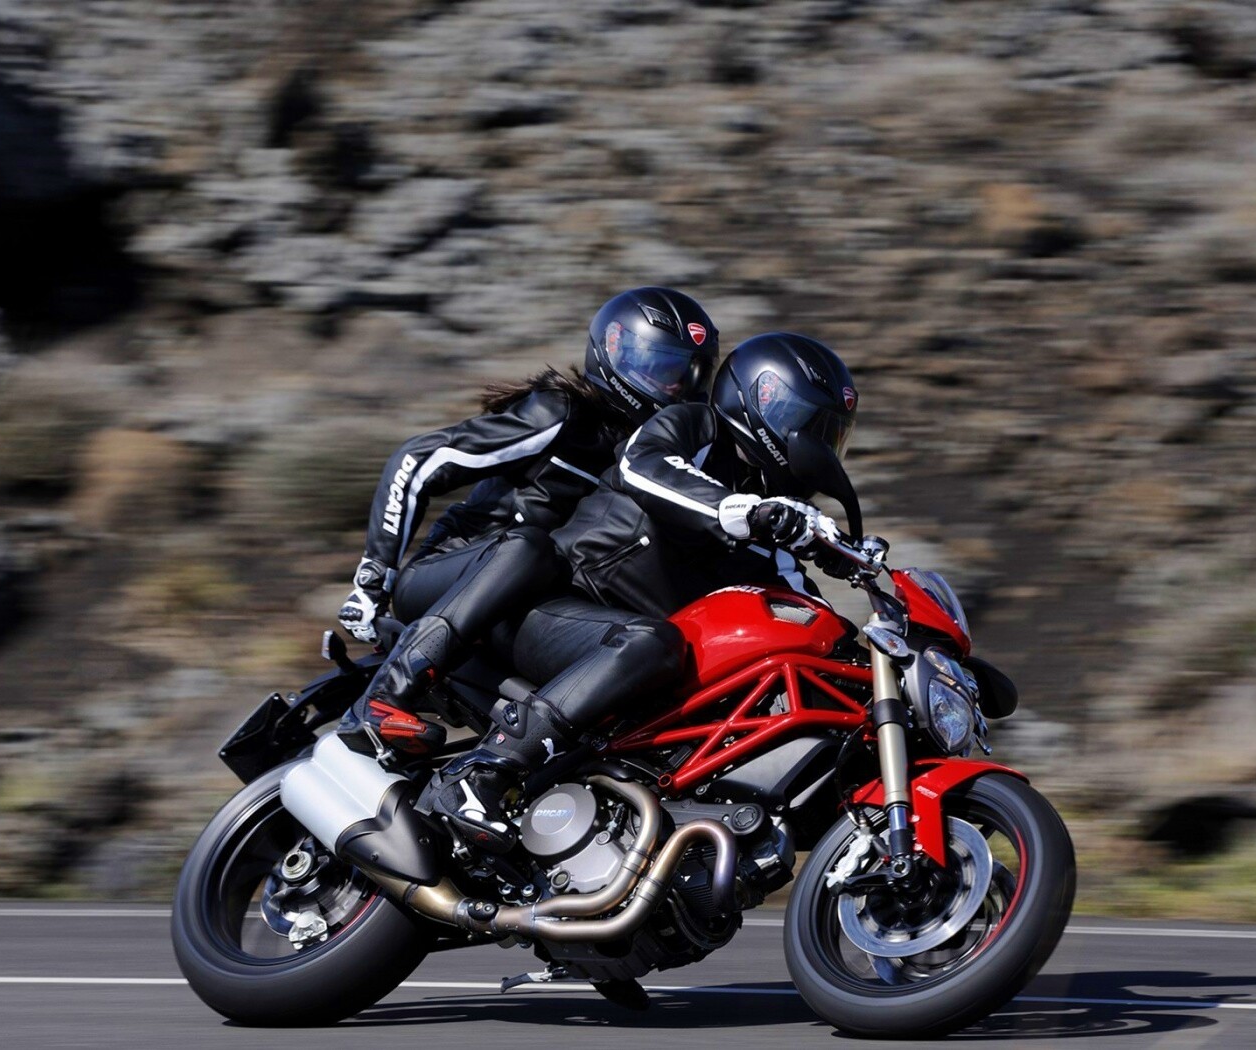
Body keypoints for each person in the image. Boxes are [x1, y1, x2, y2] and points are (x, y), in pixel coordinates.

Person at [426, 332, 863, 851]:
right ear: (763, 400)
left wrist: (873, 664)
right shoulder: (695, 428)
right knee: (652, 642)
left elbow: (805, 615)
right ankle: (482, 773)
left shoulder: (773, 532)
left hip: (615, 657)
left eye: (830, 435)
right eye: (808, 423)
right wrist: (742, 511)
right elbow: (647, 469)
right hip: (548, 606)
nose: (816, 443)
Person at [334, 288, 721, 758]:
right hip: (450, 579)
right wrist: (373, 578)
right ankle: (383, 695)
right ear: (613, 349)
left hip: (523, 609)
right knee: (532, 548)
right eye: (658, 366)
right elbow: (417, 461)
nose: (673, 387)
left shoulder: (661, 458)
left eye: (686, 374)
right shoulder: (564, 414)